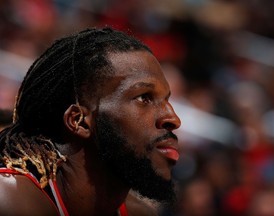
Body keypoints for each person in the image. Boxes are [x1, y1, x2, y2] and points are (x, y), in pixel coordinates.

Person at [0, 27, 181, 216]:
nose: (173, 119)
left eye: (167, 100)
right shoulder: (10, 201)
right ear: (79, 121)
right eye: (144, 97)